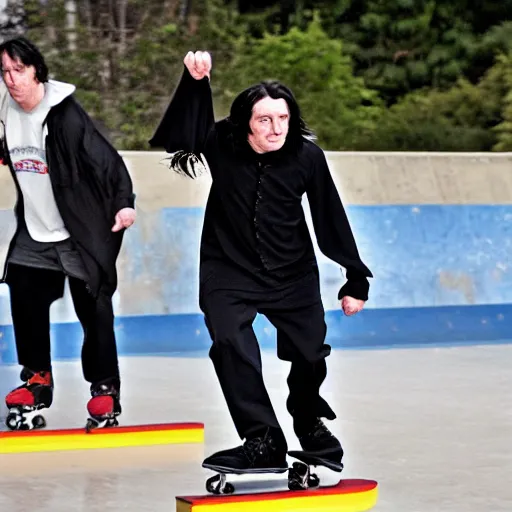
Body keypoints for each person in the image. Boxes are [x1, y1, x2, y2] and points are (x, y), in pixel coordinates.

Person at [149, 51, 372, 471]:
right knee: (231, 343)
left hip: (292, 272)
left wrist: (354, 276)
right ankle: (262, 438)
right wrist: (196, 85)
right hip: (228, 269)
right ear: (245, 123)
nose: (275, 129)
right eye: (265, 120)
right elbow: (182, 135)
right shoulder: (221, 143)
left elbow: (329, 214)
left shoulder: (307, 157)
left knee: (309, 354)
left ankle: (309, 425)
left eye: (283, 119)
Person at [0, 37, 136, 431]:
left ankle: (105, 388)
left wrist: (124, 202)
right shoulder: (6, 110)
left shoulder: (65, 115)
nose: (12, 80)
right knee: (24, 294)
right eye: (5, 72)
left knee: (92, 308)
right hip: (35, 229)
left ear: (36, 71)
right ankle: (37, 379)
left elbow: (107, 160)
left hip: (78, 230)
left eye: (19, 70)